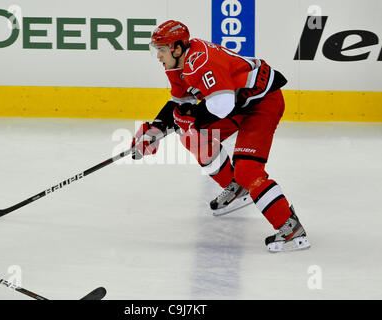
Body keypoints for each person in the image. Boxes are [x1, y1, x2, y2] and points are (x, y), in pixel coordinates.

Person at [131, 20, 310, 252]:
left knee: (248, 170)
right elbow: (181, 102)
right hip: (237, 103)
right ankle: (237, 188)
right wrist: (154, 129)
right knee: (193, 138)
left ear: (176, 48)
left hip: (262, 103)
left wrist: (190, 119)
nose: (158, 56)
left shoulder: (202, 62)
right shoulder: (175, 64)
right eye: (157, 50)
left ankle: (290, 226)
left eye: (162, 50)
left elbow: (222, 105)